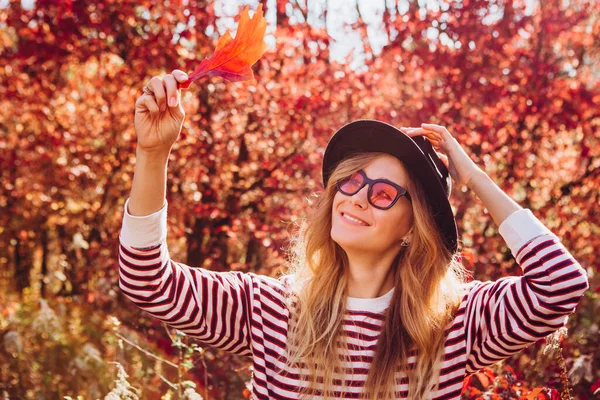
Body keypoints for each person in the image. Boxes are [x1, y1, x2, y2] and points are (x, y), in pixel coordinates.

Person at [119, 70, 589, 399]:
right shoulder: (268, 310)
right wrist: (154, 153)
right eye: (351, 180)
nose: (357, 197)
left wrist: (475, 177)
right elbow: (146, 281)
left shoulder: (453, 325)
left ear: (413, 226)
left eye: (384, 193)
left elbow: (560, 285)